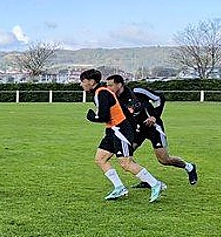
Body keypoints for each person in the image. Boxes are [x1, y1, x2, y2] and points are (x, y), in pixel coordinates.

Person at [78, 69, 165, 202]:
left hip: (120, 130)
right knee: (100, 159)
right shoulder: (100, 92)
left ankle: (155, 183)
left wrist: (92, 117)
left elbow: (103, 116)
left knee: (125, 163)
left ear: (91, 81)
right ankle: (119, 187)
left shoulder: (101, 93)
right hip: (112, 129)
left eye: (82, 82)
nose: (81, 85)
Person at [107, 75, 197, 185]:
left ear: (119, 84)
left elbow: (159, 98)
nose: (108, 87)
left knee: (164, 159)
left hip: (153, 128)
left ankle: (189, 167)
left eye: (110, 85)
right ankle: (148, 180)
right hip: (137, 130)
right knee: (126, 158)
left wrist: (155, 116)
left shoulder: (137, 91)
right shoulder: (114, 99)